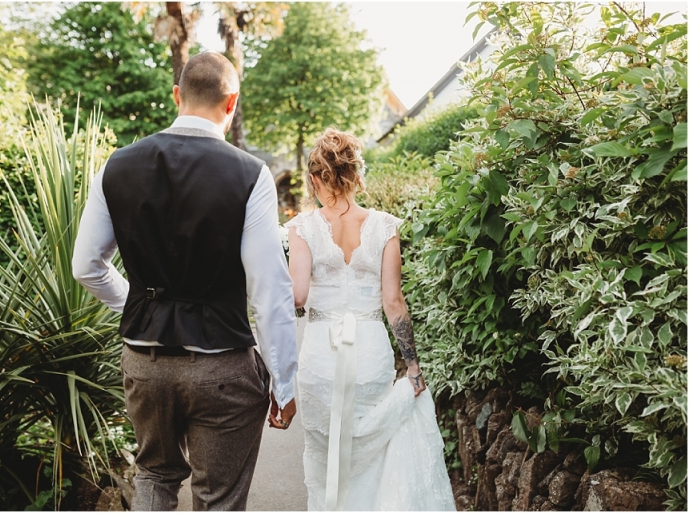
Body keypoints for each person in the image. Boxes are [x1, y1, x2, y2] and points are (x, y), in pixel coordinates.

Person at [72, 51, 297, 511]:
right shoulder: (250, 175)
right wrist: (285, 381)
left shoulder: (115, 166)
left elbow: (86, 266)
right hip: (223, 368)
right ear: (231, 101)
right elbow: (269, 288)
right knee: (218, 499)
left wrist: (138, 304)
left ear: (177, 95)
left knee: (153, 477)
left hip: (145, 362)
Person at [284, 128, 456, 511]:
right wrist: (412, 366)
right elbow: (394, 302)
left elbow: (297, 297)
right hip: (370, 353)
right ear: (355, 174)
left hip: (321, 356)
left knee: (325, 455)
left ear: (315, 179)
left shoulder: (303, 228)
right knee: (373, 456)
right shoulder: (384, 226)